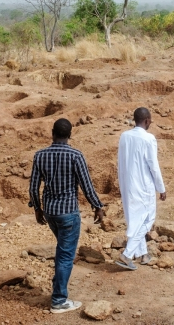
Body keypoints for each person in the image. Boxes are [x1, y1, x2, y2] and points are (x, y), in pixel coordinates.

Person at [28, 118, 104, 314]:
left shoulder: (40, 155)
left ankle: (57, 288)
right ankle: (59, 300)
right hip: (68, 212)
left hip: (50, 212)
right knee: (65, 255)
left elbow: (34, 186)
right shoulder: (76, 155)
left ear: (52, 133)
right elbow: (86, 185)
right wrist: (97, 206)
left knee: (62, 251)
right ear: (70, 135)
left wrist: (37, 208)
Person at [116, 107, 166, 270]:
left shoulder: (124, 136)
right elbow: (154, 166)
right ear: (146, 121)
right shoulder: (148, 139)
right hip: (144, 186)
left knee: (135, 220)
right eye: (150, 120)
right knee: (146, 220)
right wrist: (161, 188)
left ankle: (143, 254)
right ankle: (127, 254)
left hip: (127, 184)